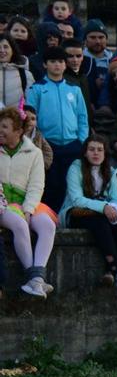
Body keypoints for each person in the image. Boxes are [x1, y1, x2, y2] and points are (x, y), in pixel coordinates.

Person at [60, 136, 117, 292]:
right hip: (76, 213)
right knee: (100, 223)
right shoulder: (75, 167)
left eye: (100, 150)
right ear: (85, 152)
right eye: (92, 149)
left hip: (103, 214)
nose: (96, 153)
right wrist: (104, 207)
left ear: (105, 153)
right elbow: (77, 199)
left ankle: (109, 271)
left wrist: (115, 212)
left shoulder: (111, 171)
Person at [0, 108, 55, 297]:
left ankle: (36, 279)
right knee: (20, 224)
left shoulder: (35, 153)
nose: (0, 130)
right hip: (3, 202)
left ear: (18, 131)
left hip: (27, 200)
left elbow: (37, 184)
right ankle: (33, 277)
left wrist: (29, 209)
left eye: (5, 127)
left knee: (47, 225)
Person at [28, 49, 88, 191]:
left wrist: (82, 140)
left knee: (72, 184)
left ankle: (68, 213)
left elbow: (82, 117)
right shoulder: (36, 88)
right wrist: (38, 141)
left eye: (61, 62)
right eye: (53, 61)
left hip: (72, 144)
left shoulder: (74, 89)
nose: (57, 65)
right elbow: (30, 118)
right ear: (45, 64)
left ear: (65, 65)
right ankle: (50, 212)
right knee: (51, 185)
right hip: (48, 145)